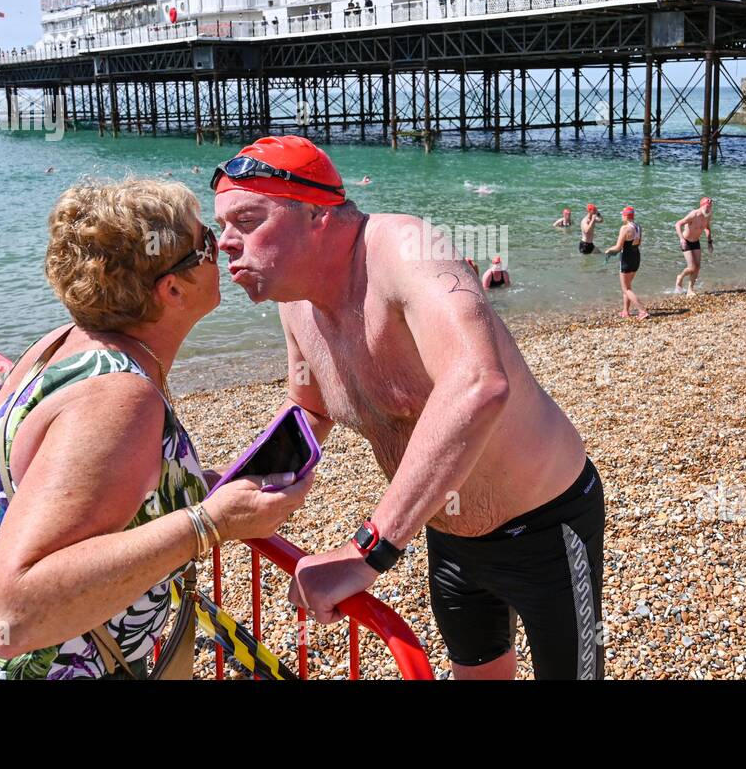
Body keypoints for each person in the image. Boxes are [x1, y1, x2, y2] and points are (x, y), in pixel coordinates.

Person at [0, 179, 311, 679]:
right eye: (205, 241)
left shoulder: (58, 345)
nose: (223, 245)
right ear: (172, 288)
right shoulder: (118, 396)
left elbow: (54, 488)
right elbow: (14, 613)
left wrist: (179, 492)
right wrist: (209, 524)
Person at [211, 136, 603, 680]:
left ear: (319, 216)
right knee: (476, 670)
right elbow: (309, 411)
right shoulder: (297, 303)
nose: (225, 244)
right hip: (445, 531)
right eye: (222, 227)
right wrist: (232, 488)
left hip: (547, 528)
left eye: (248, 221)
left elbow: (477, 384)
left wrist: (364, 552)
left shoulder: (404, 248)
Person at [605, 206, 647, 319]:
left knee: (626, 288)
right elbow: (639, 243)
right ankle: (625, 311)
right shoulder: (638, 227)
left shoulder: (625, 228)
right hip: (636, 257)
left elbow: (618, 247)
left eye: (622, 214)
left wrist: (608, 251)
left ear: (625, 216)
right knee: (628, 286)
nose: (621, 216)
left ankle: (642, 310)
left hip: (627, 258)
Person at [673, 197, 714, 296]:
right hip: (686, 242)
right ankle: (680, 277)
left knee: (698, 267)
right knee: (692, 267)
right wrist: (681, 239)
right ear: (702, 206)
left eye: (710, 207)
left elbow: (707, 228)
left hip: (696, 242)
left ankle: (690, 290)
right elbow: (678, 224)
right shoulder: (694, 214)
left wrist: (709, 242)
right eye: (707, 207)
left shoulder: (707, 215)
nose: (709, 209)